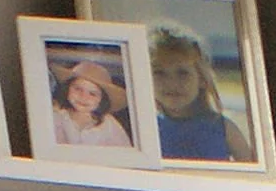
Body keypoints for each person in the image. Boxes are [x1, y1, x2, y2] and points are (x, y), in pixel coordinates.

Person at [149, 25, 252, 162]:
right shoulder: (147, 129)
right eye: (159, 73)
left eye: (182, 73)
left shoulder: (223, 128)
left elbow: (251, 171)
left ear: (202, 79)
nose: (172, 83)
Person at [51, 55, 132, 149]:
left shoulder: (109, 124)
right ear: (67, 88)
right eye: (78, 89)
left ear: (102, 99)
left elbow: (124, 152)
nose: (83, 97)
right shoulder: (57, 116)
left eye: (92, 94)